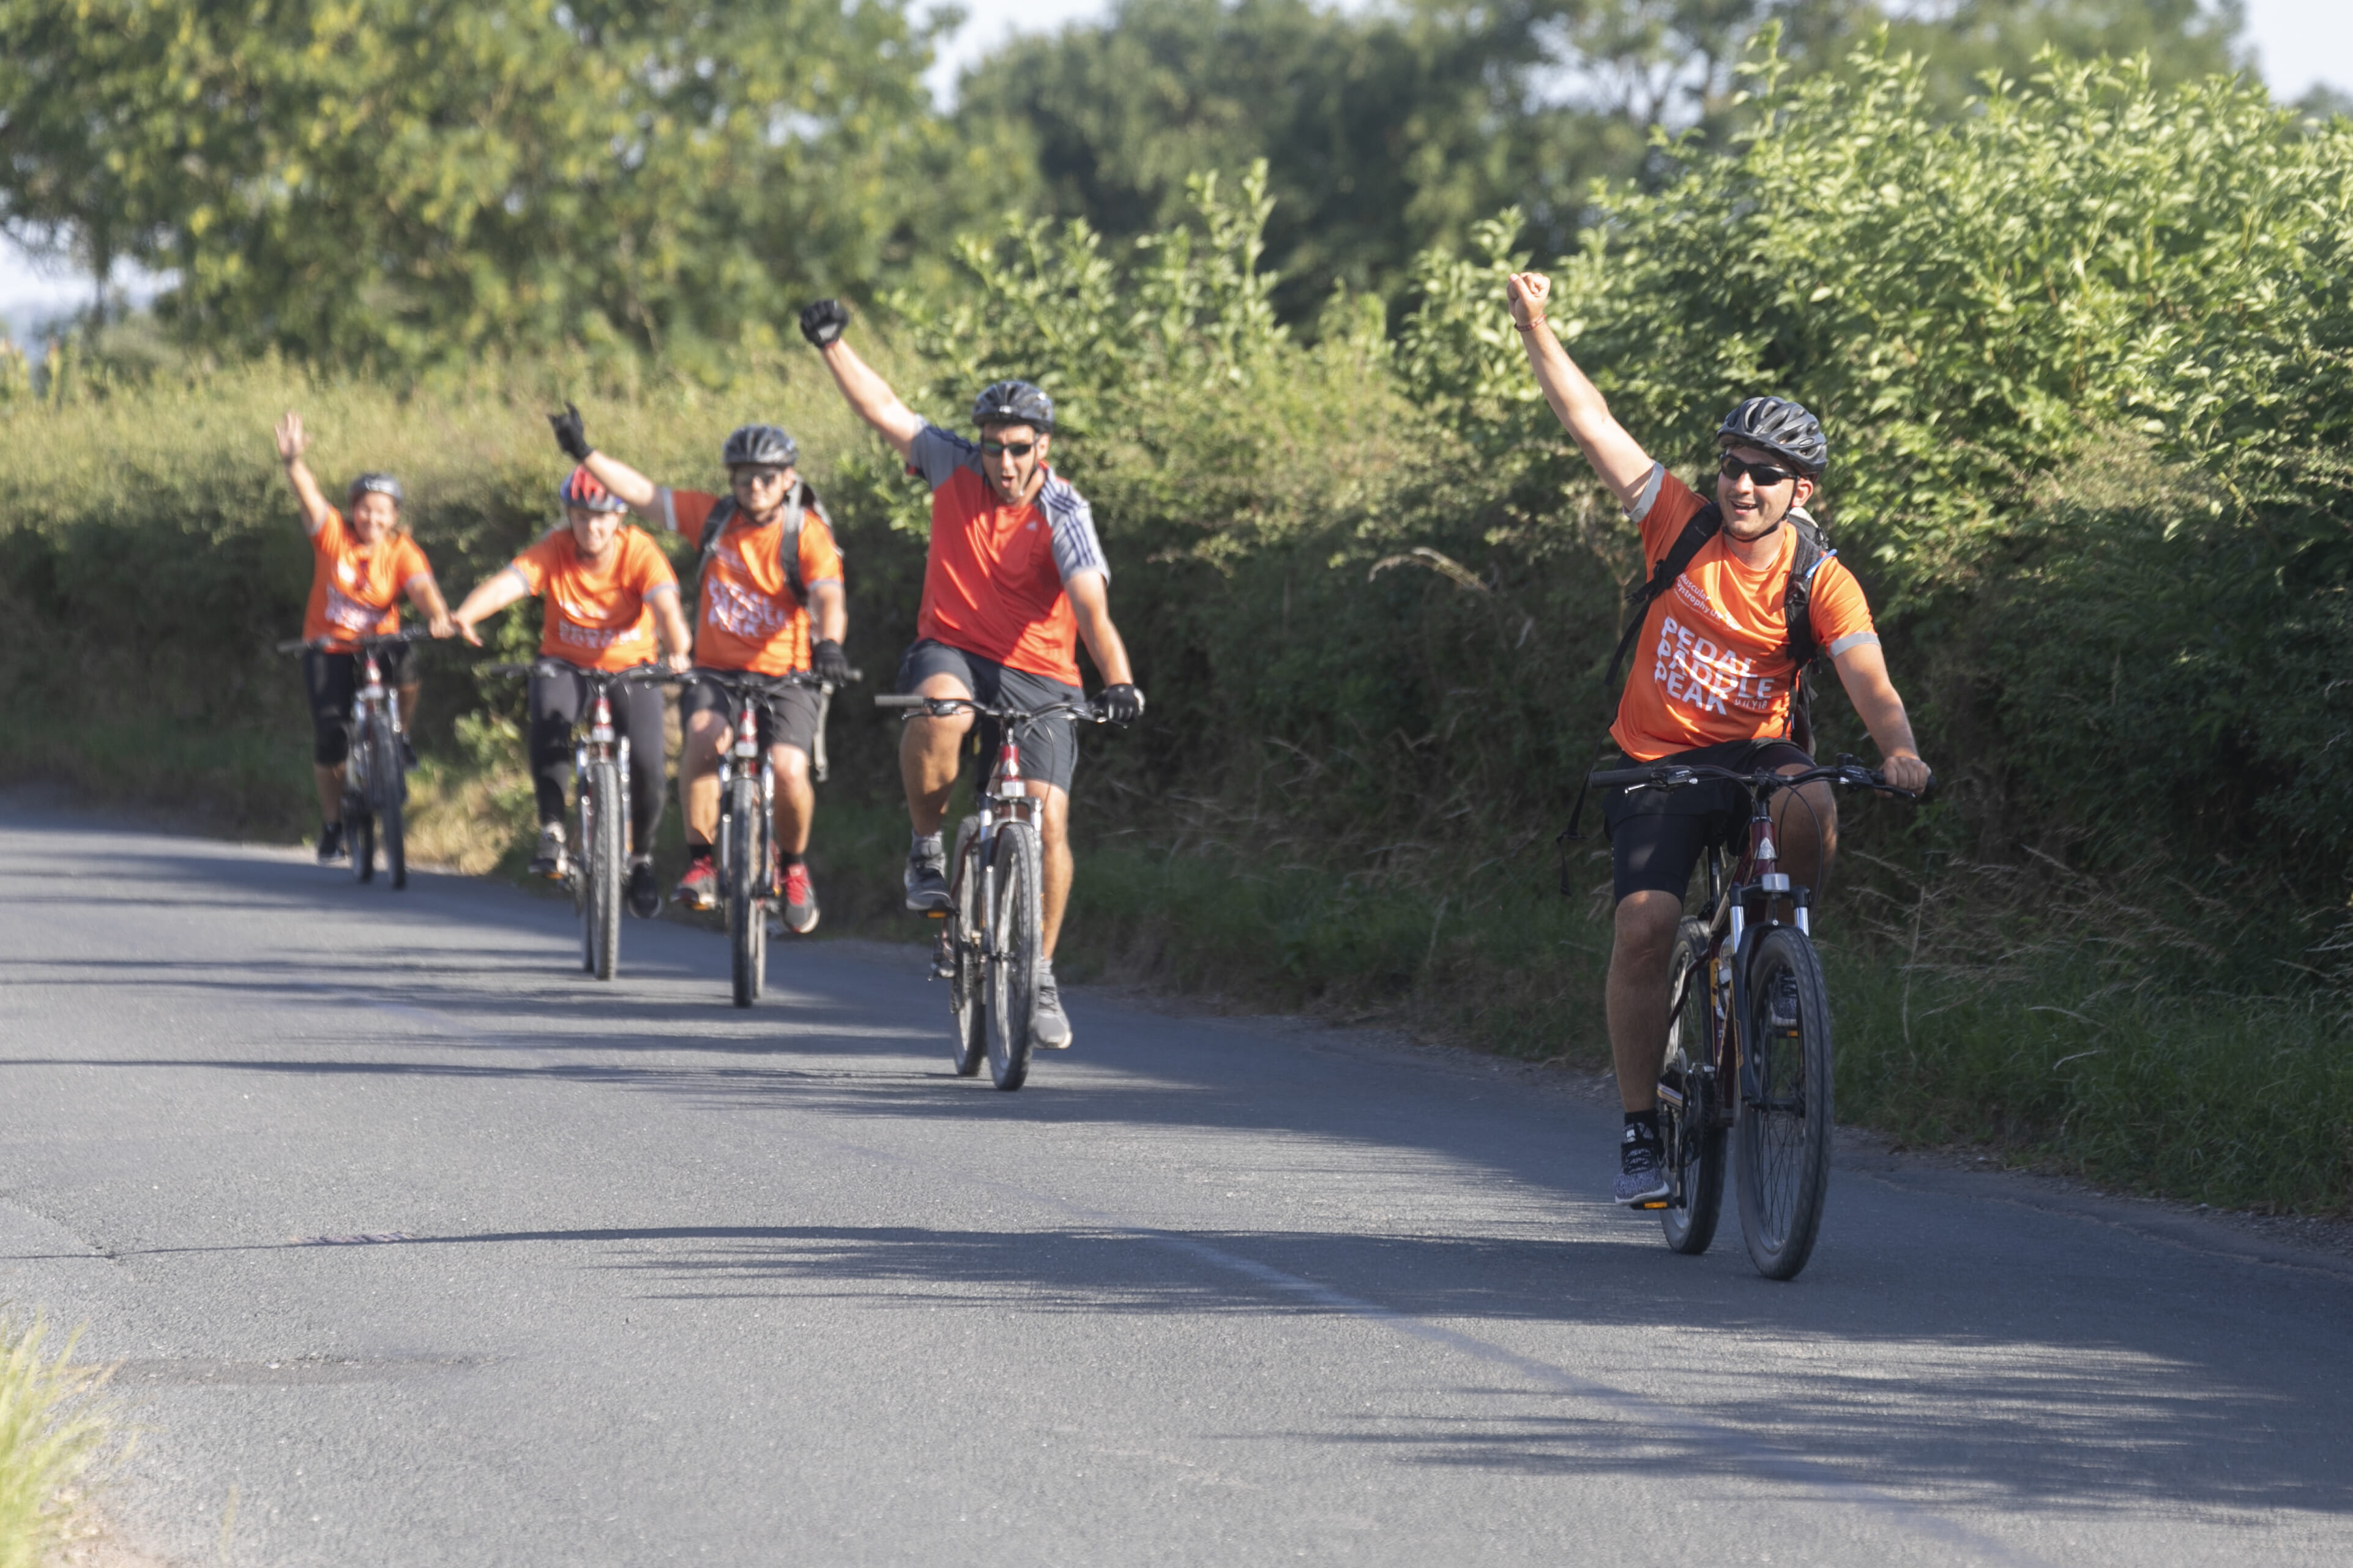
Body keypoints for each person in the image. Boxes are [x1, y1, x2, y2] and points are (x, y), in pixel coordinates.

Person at [1503, 269, 1934, 1206]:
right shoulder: (1676, 522)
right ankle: (1639, 1126)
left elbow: (1867, 675)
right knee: (1645, 926)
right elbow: (1591, 422)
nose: (1741, 485)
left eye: (1764, 473)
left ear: (1799, 489)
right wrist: (1535, 326)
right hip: (1655, 760)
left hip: (1753, 755)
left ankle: (1780, 959)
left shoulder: (1820, 578)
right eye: (1732, 465)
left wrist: (1899, 750)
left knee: (1811, 796)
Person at [800, 296, 1144, 1050]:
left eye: (1019, 448)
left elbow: (1092, 610)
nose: (1005, 462)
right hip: (953, 649)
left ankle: (1040, 973)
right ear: (979, 445)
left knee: (1048, 822)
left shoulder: (1065, 511)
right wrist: (831, 346)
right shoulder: (951, 464)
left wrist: (1117, 682)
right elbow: (883, 409)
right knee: (942, 712)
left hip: (1043, 672)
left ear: (1042, 446)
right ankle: (926, 849)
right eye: (994, 447)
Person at [542, 409, 849, 934]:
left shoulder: (806, 533)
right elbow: (641, 495)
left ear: (787, 479)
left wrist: (830, 645)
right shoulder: (712, 518)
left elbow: (827, 596)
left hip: (788, 675)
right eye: (744, 476)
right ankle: (702, 862)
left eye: (766, 477)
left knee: (789, 768)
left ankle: (794, 870)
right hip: (715, 673)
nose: (755, 486)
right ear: (730, 479)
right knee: (704, 738)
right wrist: (584, 454)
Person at [447, 466, 693, 917]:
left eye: (601, 517)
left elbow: (666, 607)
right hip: (565, 663)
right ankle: (553, 830)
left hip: (632, 667)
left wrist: (678, 649)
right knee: (549, 719)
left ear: (619, 517)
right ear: (569, 517)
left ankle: (640, 859)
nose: (591, 527)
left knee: (648, 763)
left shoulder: (640, 551)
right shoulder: (555, 549)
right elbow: (508, 584)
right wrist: (466, 613)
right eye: (581, 517)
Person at [272, 412, 454, 864]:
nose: (372, 517)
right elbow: (310, 497)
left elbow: (422, 588)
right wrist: (293, 463)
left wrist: (437, 616)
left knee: (406, 659)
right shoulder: (334, 535)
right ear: (354, 509)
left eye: (382, 510)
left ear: (395, 516)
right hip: (328, 647)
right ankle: (333, 824)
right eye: (365, 508)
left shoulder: (401, 550)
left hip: (378, 645)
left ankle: (400, 737)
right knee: (331, 736)